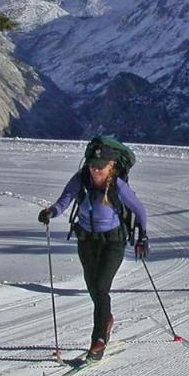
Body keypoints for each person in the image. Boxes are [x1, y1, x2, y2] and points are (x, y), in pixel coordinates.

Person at [38, 142, 149, 360]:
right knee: (92, 287)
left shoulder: (118, 186)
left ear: (111, 165)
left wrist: (142, 236)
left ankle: (98, 340)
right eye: (92, 165)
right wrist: (51, 212)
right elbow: (65, 200)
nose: (95, 170)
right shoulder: (81, 179)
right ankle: (106, 319)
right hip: (86, 239)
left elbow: (139, 210)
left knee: (100, 287)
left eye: (100, 166)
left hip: (113, 242)